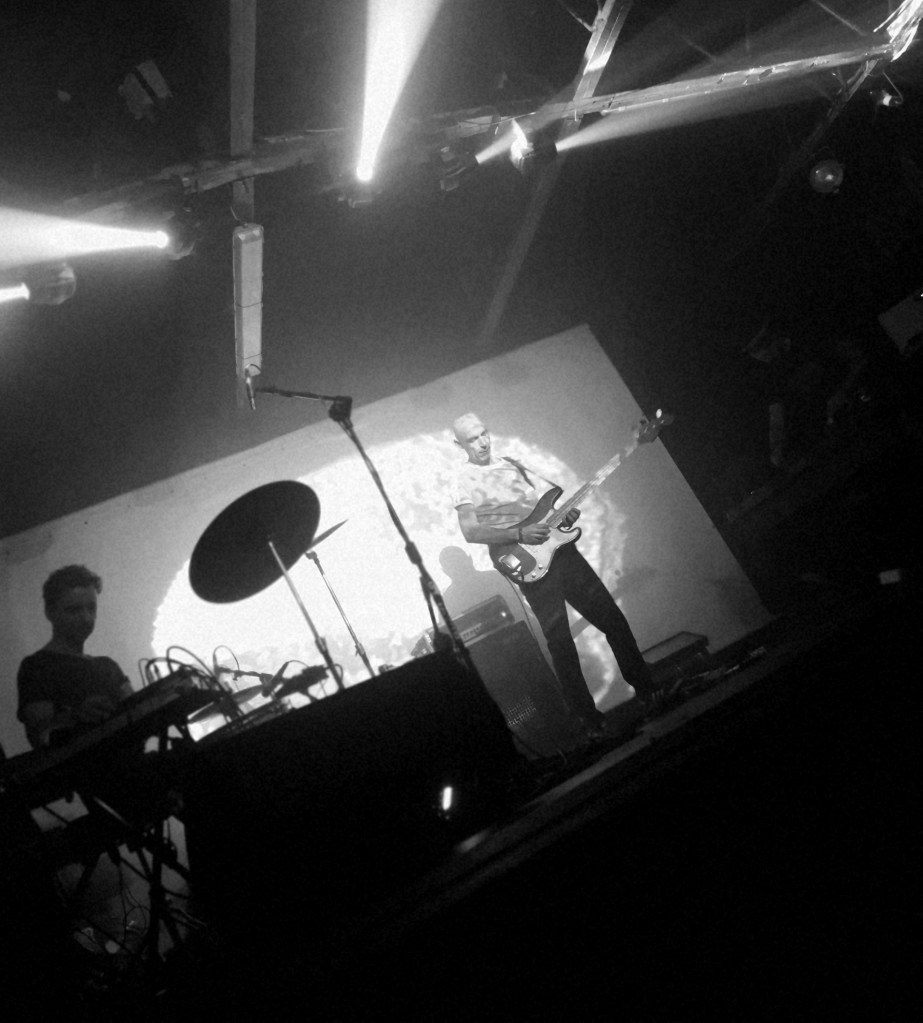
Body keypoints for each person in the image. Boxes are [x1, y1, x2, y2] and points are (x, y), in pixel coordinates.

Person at [450, 413, 659, 739]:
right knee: (561, 643)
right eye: (472, 439)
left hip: (563, 555)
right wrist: (519, 534)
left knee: (613, 620)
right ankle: (591, 723)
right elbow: (471, 531)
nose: (482, 442)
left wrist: (564, 517)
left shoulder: (513, 464)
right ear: (458, 444)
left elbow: (544, 511)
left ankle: (650, 692)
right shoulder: (462, 479)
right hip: (527, 563)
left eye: (483, 434)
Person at [17, 565, 133, 751]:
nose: (86, 618)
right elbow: (40, 736)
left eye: (91, 608)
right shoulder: (36, 667)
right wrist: (76, 716)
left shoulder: (108, 666)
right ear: (50, 612)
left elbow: (139, 712)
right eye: (74, 610)